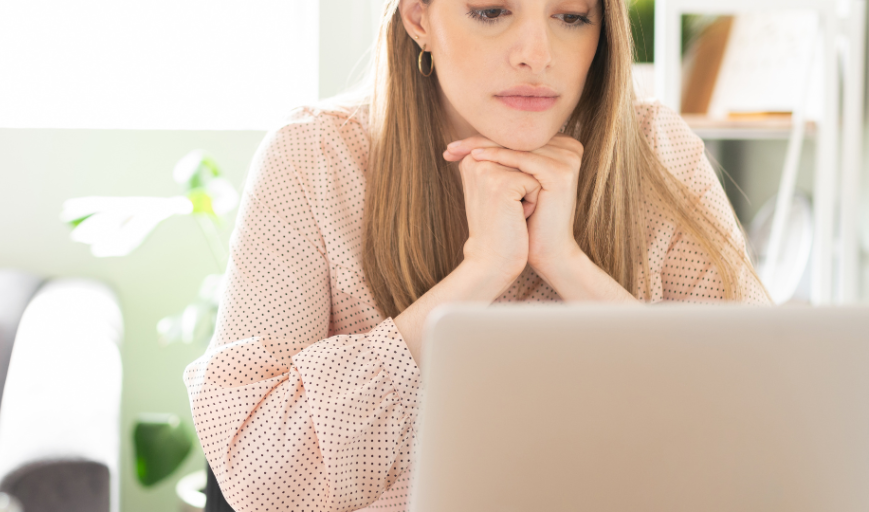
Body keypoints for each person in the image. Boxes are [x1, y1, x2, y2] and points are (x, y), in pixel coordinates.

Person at [186, 0, 770, 510]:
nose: (537, 54)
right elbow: (261, 477)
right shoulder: (313, 157)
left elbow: (760, 424)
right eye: (491, 11)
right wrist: (482, 272)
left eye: (571, 17)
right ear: (419, 17)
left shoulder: (655, 149)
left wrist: (566, 262)